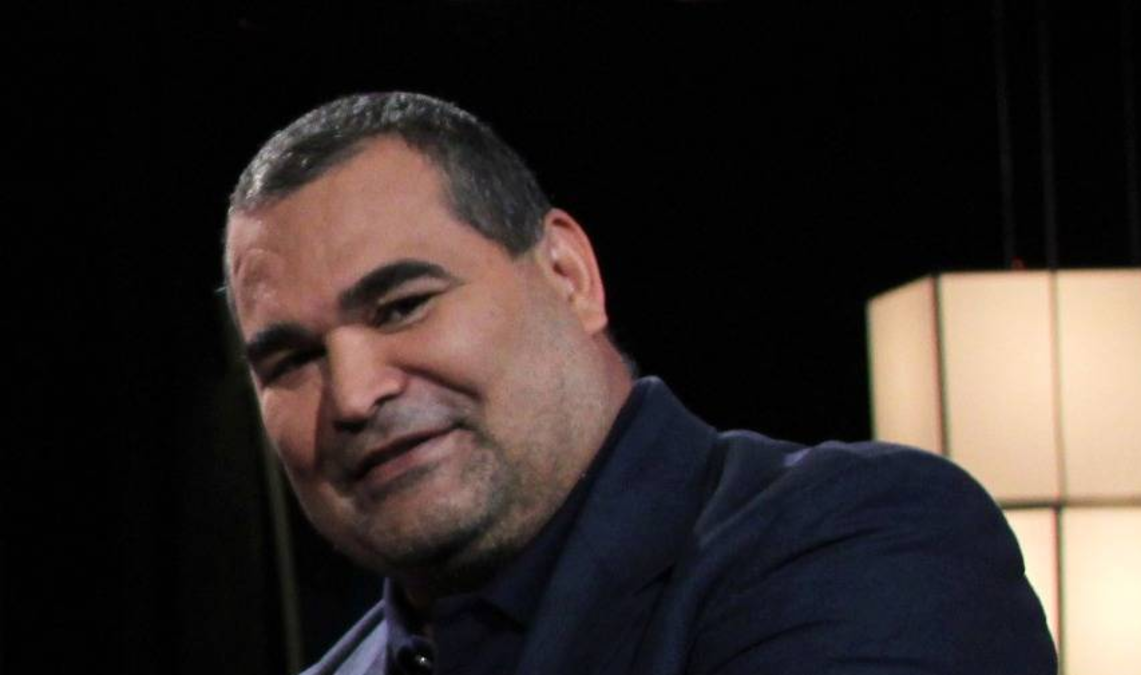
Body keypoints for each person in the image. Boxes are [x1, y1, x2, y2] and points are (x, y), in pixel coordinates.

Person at [223, 92, 1057, 675]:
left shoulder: (859, 542)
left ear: (568, 274)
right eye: (291, 360)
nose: (355, 393)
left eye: (404, 305)